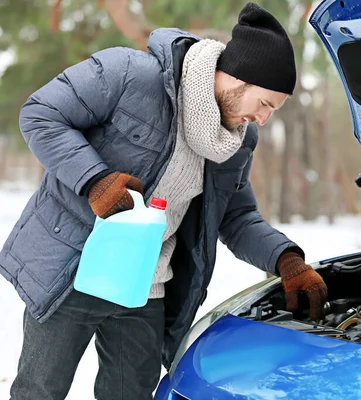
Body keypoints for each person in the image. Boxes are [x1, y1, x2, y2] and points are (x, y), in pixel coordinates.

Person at [0, 3, 328, 399]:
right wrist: (95, 181)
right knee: (40, 391)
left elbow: (238, 217)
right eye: (264, 104)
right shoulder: (129, 75)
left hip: (144, 286)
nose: (262, 119)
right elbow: (41, 114)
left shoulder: (235, 144)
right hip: (77, 268)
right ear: (238, 77)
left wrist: (287, 261)